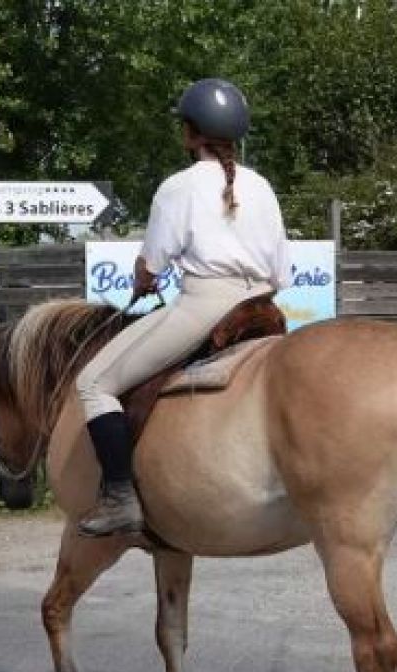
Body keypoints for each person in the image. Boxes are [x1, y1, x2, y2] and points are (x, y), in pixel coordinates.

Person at [76, 78, 289, 537]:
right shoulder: (264, 187)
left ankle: (119, 498)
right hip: (263, 307)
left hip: (206, 304)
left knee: (93, 384)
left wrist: (143, 277)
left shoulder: (179, 187)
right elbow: (282, 275)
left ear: (191, 133)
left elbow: (153, 264)